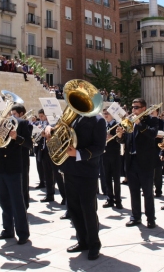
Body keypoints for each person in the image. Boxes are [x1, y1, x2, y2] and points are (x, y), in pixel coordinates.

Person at [45, 101, 107, 260]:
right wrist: (50, 131)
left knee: (88, 209)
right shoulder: (73, 118)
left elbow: (100, 147)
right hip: (70, 170)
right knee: (73, 208)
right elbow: (60, 132)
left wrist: (78, 154)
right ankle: (82, 240)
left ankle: (94, 244)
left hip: (87, 171)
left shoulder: (98, 121)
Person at [0, 103, 31, 245]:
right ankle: (8, 230)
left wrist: (17, 137)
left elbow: (29, 144)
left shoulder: (22, 123)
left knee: (17, 201)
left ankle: (23, 232)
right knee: (3, 201)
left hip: (13, 167)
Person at [116, 99, 158, 228]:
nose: (133, 110)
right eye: (132, 107)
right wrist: (119, 136)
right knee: (133, 191)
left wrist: (139, 124)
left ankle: (150, 218)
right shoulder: (128, 121)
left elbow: (152, 134)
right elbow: (126, 141)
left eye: (136, 107)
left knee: (147, 192)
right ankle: (135, 216)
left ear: (144, 109)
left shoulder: (151, 120)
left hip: (145, 162)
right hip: (131, 161)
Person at [11, 104, 34, 209]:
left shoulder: (27, 124)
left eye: (14, 114)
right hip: (12, 158)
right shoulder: (11, 124)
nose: (12, 116)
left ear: (21, 114)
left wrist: (17, 137)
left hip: (22, 158)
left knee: (23, 183)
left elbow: (29, 143)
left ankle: (24, 205)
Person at [102, 108, 122, 209]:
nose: (105, 115)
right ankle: (109, 198)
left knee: (116, 179)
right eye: (104, 113)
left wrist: (112, 136)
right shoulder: (103, 124)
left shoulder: (117, 124)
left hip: (114, 154)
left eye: (107, 113)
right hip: (105, 154)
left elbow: (120, 139)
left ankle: (118, 200)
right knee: (107, 178)